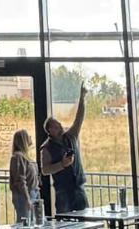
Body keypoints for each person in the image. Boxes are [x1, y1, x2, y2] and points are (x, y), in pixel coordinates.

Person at [40, 84, 88, 213]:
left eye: (60, 125)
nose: (60, 127)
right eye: (56, 126)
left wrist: (82, 99)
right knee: (65, 220)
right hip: (63, 191)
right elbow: (45, 170)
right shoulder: (46, 148)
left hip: (78, 186)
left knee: (85, 219)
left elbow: (79, 119)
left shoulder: (71, 136)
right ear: (50, 130)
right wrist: (62, 164)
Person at [8, 128, 41, 223]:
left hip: (33, 192)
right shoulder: (18, 157)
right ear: (23, 139)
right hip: (23, 195)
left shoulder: (26, 156)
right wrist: (27, 199)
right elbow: (20, 180)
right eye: (28, 136)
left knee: (33, 221)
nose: (30, 137)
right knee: (25, 221)